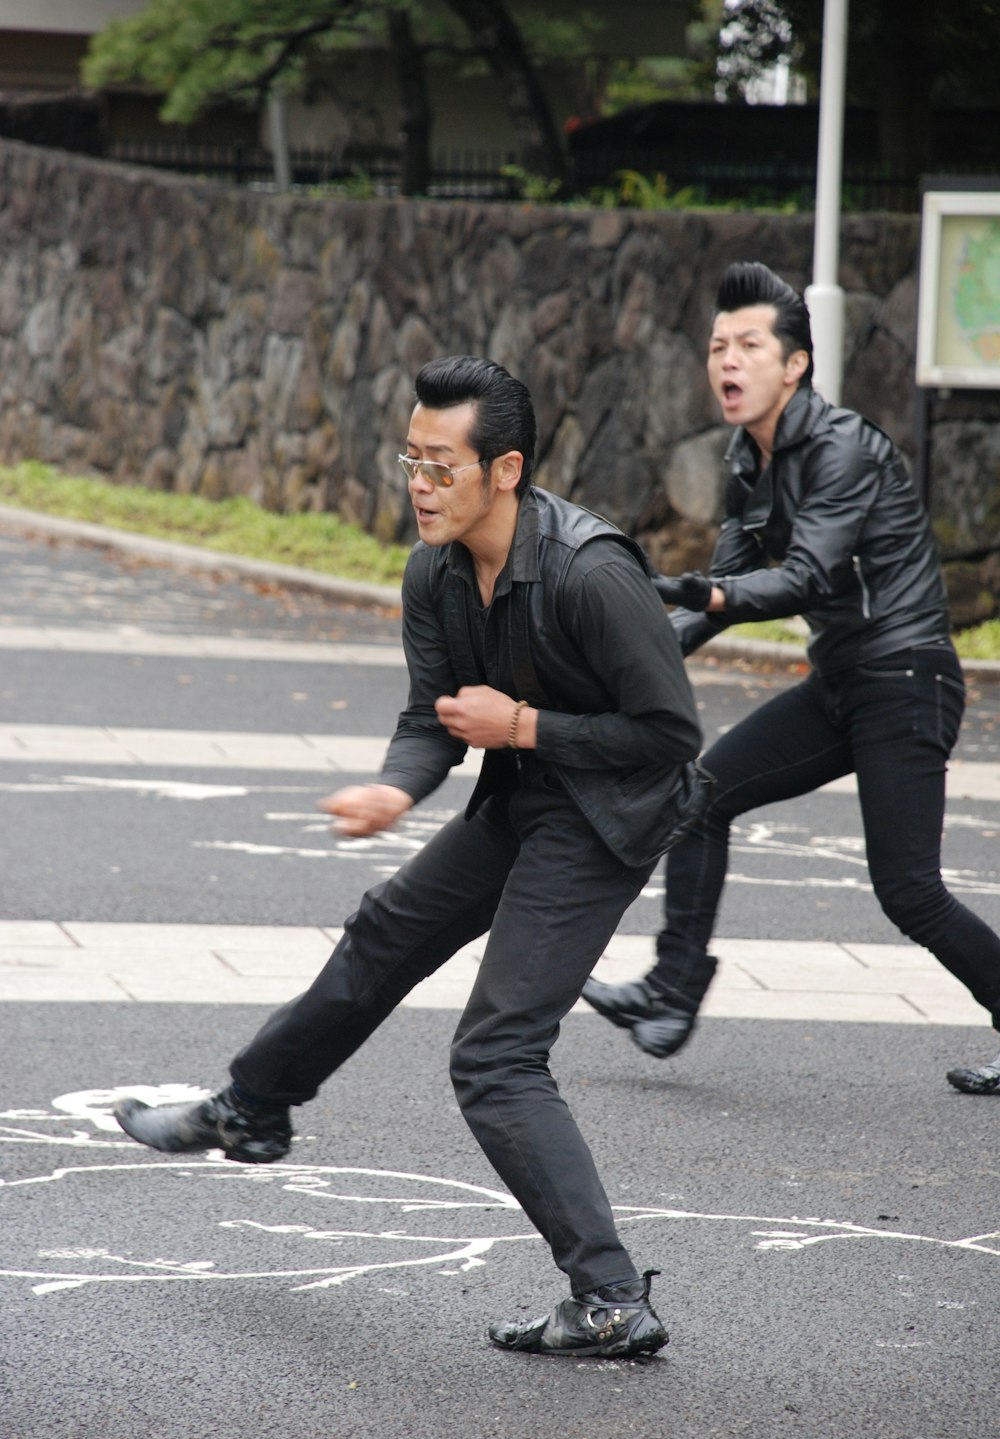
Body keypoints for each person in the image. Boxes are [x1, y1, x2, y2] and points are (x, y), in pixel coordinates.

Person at [113, 354, 707, 1357]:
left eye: (441, 467)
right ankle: (252, 1110)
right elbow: (430, 717)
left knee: (495, 1056)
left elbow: (670, 737)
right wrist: (397, 785)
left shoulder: (591, 572)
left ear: (504, 468)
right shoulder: (433, 567)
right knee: (384, 929)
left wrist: (521, 725)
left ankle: (609, 1297)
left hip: (610, 813)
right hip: (522, 793)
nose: (420, 487)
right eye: (411, 462)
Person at [582, 261, 1000, 1095]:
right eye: (715, 347)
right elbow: (720, 600)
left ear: (794, 363)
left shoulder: (845, 447)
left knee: (907, 891)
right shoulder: (749, 457)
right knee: (700, 797)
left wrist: (705, 590)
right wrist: (621, 667)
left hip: (908, 676)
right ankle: (671, 990)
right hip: (842, 680)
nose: (726, 361)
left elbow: (803, 576)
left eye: (746, 345)